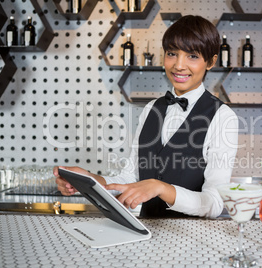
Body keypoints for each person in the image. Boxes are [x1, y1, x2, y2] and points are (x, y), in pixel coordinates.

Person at [54, 15, 239, 218]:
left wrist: (161, 188)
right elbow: (130, 178)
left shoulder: (223, 117)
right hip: (148, 234)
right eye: (172, 54)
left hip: (193, 240)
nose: (179, 65)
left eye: (192, 56)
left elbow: (214, 203)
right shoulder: (152, 108)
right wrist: (89, 180)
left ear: (211, 61)